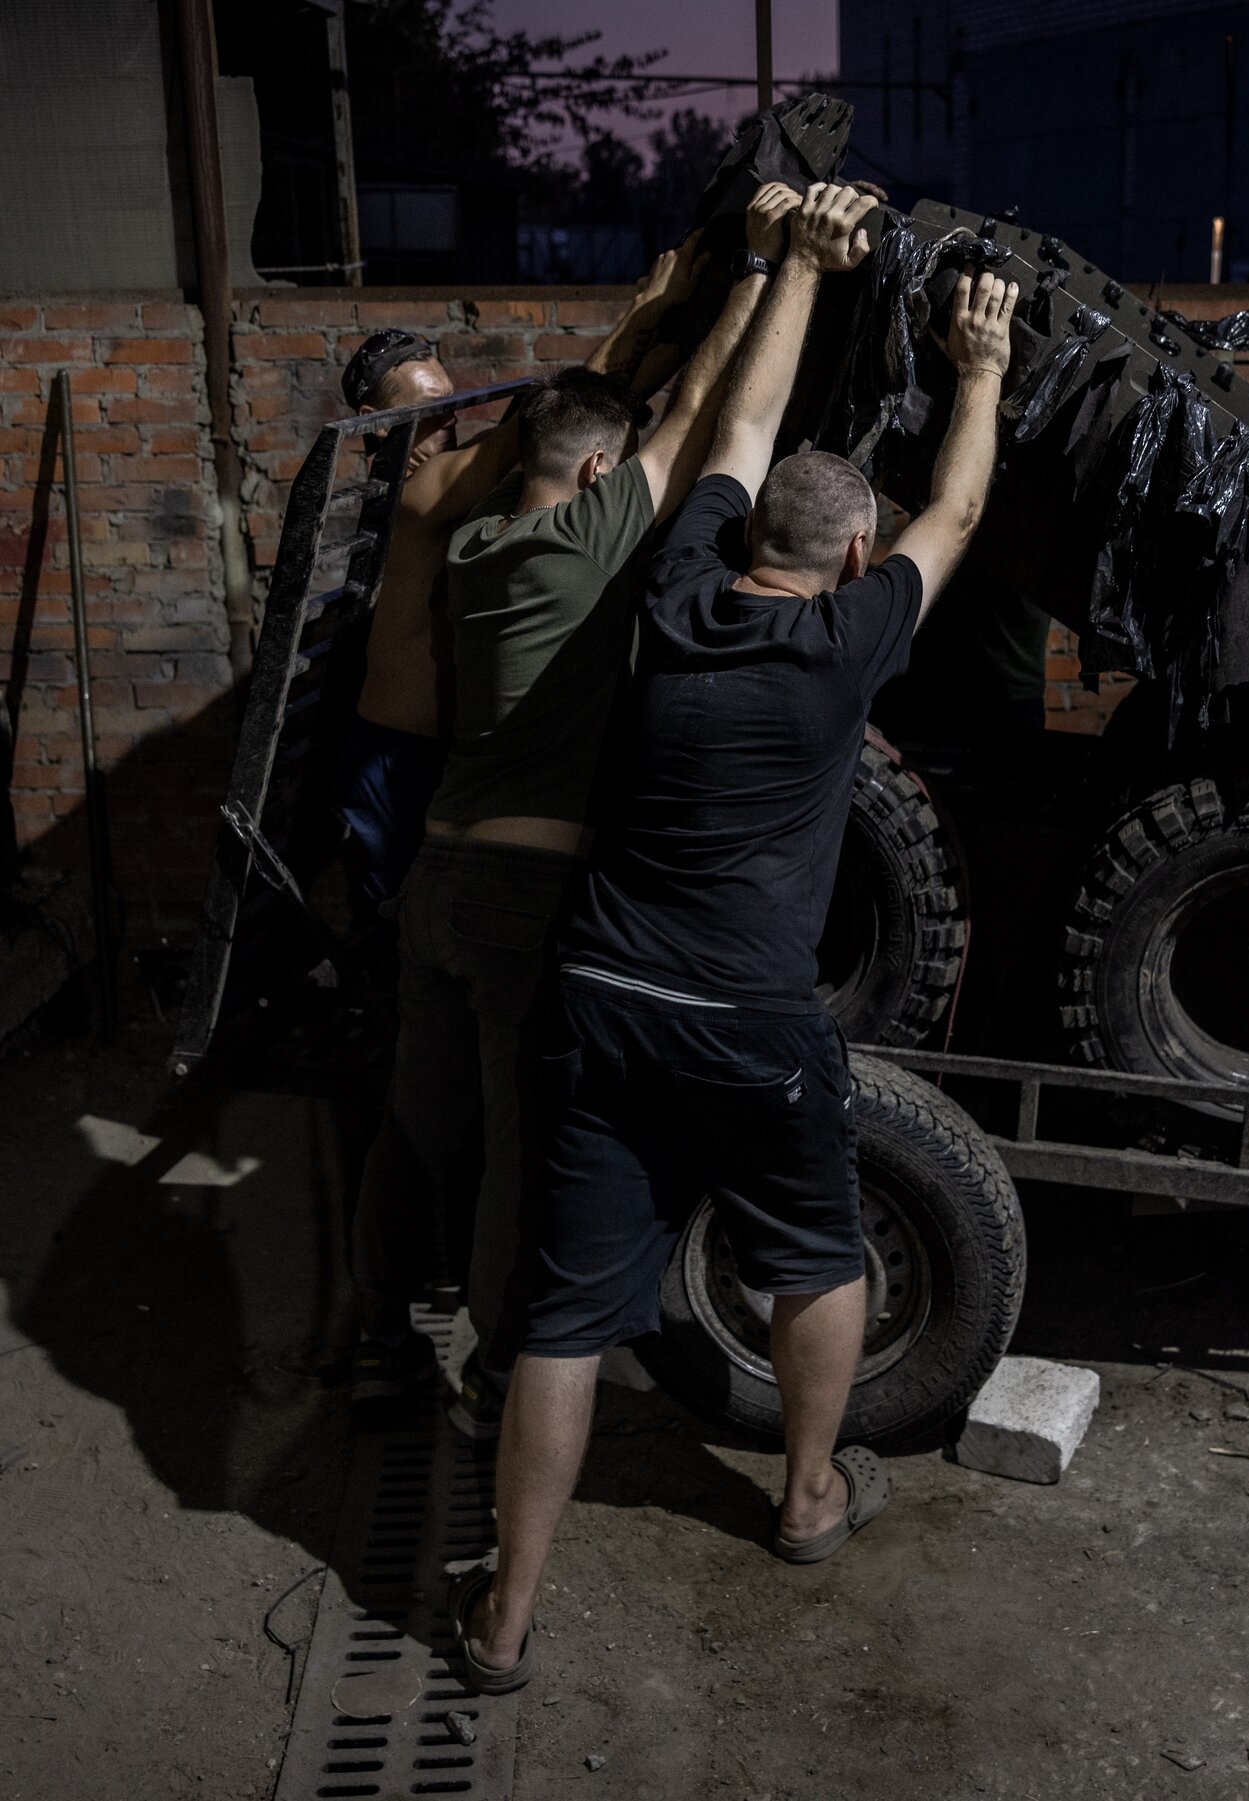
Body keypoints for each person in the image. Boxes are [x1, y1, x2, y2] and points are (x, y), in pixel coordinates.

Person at [451, 184, 1019, 1691]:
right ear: (850, 565)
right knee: (818, 1250)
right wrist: (982, 369)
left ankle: (506, 1611)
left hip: (596, 994)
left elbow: (739, 437)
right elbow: (956, 511)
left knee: (565, 1320)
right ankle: (806, 1492)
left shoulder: (681, 591)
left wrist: (801, 273)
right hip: (746, 1018)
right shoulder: (849, 643)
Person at [350, 185, 806, 1429]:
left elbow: (629, 417)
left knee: (417, 1124)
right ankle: (499, 1382)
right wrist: (764, 268)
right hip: (515, 901)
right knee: (520, 1145)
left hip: (435, 879)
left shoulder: (481, 546)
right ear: (599, 471)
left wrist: (653, 320)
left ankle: (377, 1332)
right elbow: (708, 409)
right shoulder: (593, 533)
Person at [334, 253, 693, 919]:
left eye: (455, 408)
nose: (454, 425)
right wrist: (644, 315)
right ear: (376, 423)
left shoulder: (448, 481)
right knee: (395, 943)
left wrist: (668, 339)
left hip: (444, 759)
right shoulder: (412, 492)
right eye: (435, 414)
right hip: (394, 762)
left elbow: (579, 417)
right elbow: (541, 427)